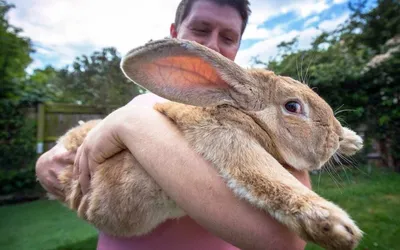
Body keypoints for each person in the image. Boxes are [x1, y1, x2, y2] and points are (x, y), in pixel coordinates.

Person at [35, 0, 312, 249]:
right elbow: (80, 159)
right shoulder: (135, 105)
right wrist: (46, 162)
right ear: (174, 33)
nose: (212, 45)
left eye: (228, 37)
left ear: (238, 46)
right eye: (201, 29)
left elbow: (290, 241)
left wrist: (131, 125)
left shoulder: (261, 114)